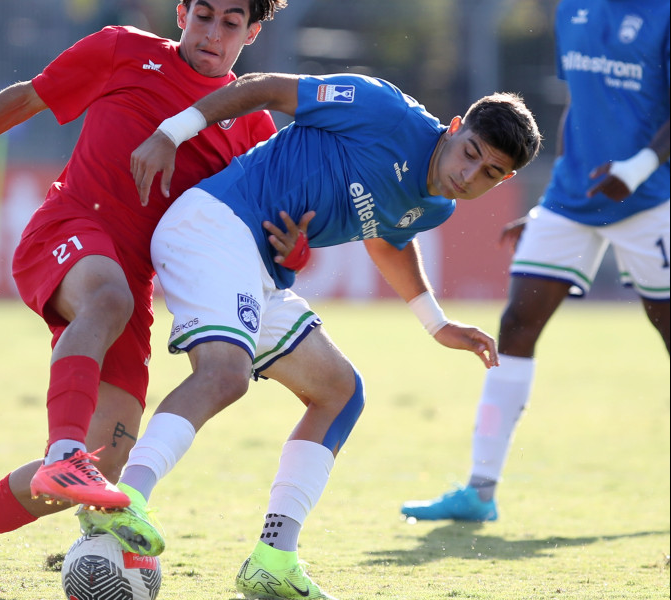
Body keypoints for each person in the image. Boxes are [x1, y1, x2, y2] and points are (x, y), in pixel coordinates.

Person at [0, 0, 285, 593]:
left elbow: (266, 235)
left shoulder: (250, 125)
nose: (211, 33)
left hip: (132, 284)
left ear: (253, 31)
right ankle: (63, 451)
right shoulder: (122, 50)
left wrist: (290, 246)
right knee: (106, 309)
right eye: (202, 15)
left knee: (106, 461)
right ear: (182, 11)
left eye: (230, 22)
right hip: (68, 229)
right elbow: (25, 99)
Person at [77, 71, 542, 600]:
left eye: (490, 172)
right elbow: (267, 85)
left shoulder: (437, 206)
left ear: (504, 181)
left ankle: (274, 559)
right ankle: (124, 500)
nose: (470, 173)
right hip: (215, 224)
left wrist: (436, 324)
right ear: (455, 127)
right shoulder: (383, 108)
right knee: (226, 374)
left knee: (340, 393)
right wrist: (172, 132)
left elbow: (388, 240)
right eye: (471, 152)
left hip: (258, 266)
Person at [401, 0, 669, 523]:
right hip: (574, 197)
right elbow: (583, 106)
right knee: (516, 326)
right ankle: (480, 492)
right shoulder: (574, 10)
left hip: (651, 199)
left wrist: (635, 170)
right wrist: (548, 206)